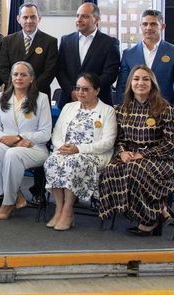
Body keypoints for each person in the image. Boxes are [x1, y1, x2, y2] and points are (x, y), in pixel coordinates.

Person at [99, 65, 174, 236]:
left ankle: (149, 219)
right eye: (136, 79)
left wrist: (143, 154)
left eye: (145, 79)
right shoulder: (121, 109)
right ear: (130, 83)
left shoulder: (165, 108)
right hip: (131, 156)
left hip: (162, 159)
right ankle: (160, 210)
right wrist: (122, 152)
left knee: (136, 170)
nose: (140, 83)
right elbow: (118, 139)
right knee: (111, 168)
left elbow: (172, 142)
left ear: (152, 83)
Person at [45, 73, 118, 231]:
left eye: (85, 89)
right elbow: (56, 133)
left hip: (93, 155)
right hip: (66, 151)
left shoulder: (108, 111)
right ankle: (59, 208)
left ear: (97, 91)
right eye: (78, 88)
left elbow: (108, 142)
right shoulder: (68, 107)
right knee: (52, 160)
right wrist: (61, 147)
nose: (80, 92)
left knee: (73, 162)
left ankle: (68, 211)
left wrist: (78, 149)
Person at [0, 61, 52, 220]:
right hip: (9, 145)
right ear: (11, 77)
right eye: (15, 74)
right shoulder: (1, 97)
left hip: (35, 148)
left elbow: (45, 133)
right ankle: (15, 195)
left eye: (23, 75)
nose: (19, 78)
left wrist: (20, 137)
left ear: (31, 78)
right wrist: (12, 141)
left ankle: (7, 203)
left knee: (12, 155)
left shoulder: (41, 99)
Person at [116, 10, 174, 117]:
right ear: (140, 26)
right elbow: (122, 87)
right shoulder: (128, 54)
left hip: (164, 114)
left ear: (162, 26)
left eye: (153, 24)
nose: (148, 28)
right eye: (145, 24)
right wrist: (124, 114)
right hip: (134, 116)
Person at [55, 3, 120, 108]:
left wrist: (89, 91)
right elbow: (60, 70)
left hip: (99, 101)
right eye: (77, 16)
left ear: (96, 20)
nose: (79, 20)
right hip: (70, 100)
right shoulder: (66, 40)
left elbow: (110, 74)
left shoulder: (110, 43)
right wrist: (72, 91)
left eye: (84, 16)